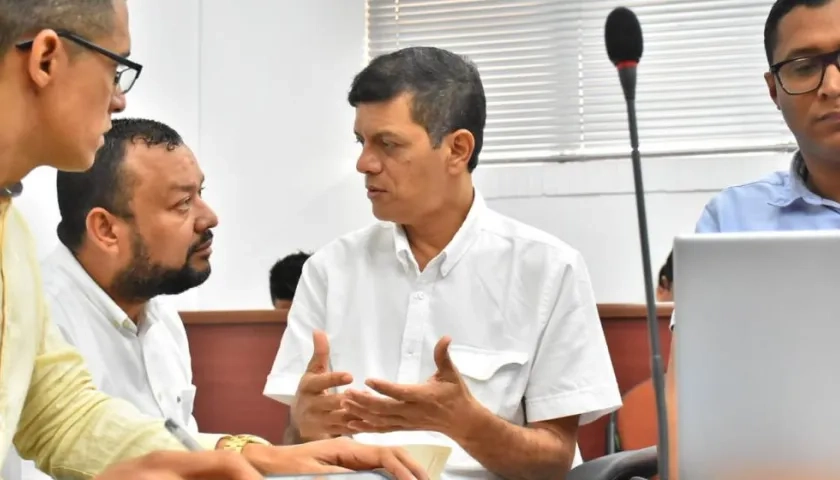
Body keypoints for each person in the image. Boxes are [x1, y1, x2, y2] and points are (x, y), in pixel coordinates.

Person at [0, 1, 427, 479]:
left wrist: (246, 453)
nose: (119, 100)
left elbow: (63, 416)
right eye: (114, 69)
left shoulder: (10, 232)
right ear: (45, 60)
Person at [264, 46, 622, 480]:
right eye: (361, 141)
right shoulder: (329, 269)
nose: (364, 163)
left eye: (388, 144)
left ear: (457, 149)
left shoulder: (548, 270)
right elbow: (293, 446)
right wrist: (304, 425)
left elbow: (553, 461)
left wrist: (465, 424)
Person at [666, 0, 840, 478]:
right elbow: (688, 388)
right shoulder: (734, 220)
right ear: (773, 90)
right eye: (804, 67)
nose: (832, 86)